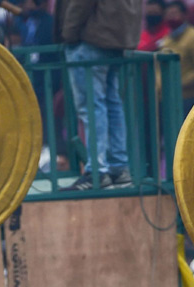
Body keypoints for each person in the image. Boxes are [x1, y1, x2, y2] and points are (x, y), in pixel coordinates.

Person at [61, 0, 140, 189]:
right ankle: (119, 168)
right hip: (116, 41)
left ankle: (97, 170)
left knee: (91, 107)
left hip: (90, 41)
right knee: (112, 104)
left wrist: (68, 35)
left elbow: (79, 6)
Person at [159, 0, 194, 114]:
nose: (171, 17)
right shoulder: (167, 38)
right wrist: (159, 84)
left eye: (174, 13)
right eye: (168, 14)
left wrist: (178, 83)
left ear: (184, 15)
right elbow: (158, 67)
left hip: (186, 97)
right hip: (165, 97)